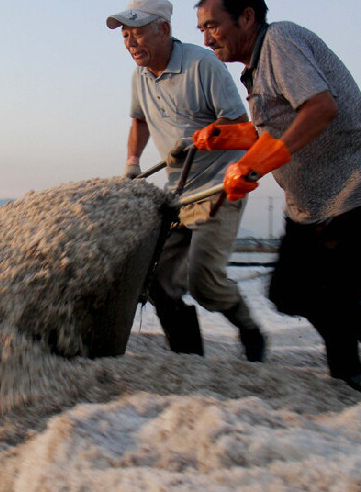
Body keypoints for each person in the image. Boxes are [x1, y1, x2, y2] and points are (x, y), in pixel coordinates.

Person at [194, 0, 361, 392]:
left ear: (246, 17)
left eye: (212, 26)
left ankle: (345, 390)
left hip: (360, 192)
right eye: (201, 30)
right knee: (287, 292)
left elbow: (320, 108)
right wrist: (235, 137)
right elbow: (280, 125)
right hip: (310, 206)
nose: (206, 39)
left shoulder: (280, 41)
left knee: (334, 301)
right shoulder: (256, 70)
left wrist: (257, 165)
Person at [107, 0, 266, 362]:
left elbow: (243, 128)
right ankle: (189, 360)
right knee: (158, 281)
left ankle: (249, 328)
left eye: (138, 32)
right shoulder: (141, 76)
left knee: (205, 284)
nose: (131, 42)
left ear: (163, 29)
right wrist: (132, 162)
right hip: (177, 192)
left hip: (220, 185)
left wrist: (205, 136)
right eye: (126, 35)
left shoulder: (202, 65)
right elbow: (140, 121)